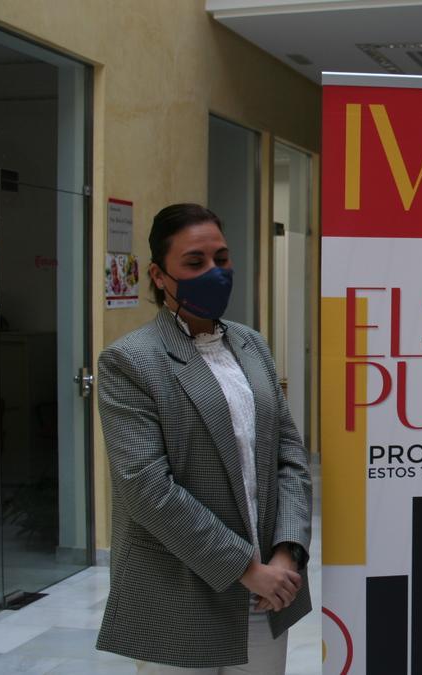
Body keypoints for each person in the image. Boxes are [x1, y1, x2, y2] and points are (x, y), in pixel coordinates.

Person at [96, 203, 313, 673]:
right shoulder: (130, 361)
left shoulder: (250, 343)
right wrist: (247, 569)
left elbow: (289, 454)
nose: (214, 273)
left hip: (270, 590)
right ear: (158, 274)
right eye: (195, 263)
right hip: (178, 589)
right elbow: (145, 488)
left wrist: (286, 551)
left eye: (222, 258)